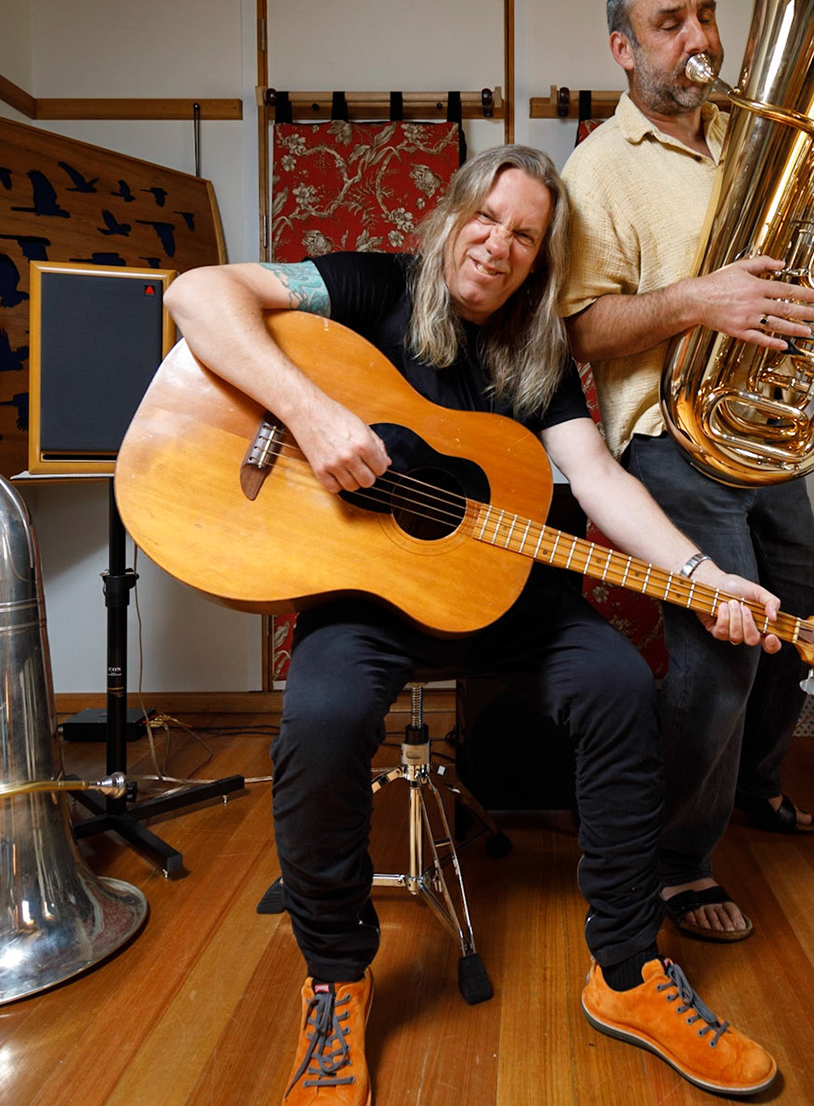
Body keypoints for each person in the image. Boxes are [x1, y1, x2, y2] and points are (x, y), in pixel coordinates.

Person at [164, 144, 782, 1104]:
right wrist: (313, 414)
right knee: (319, 722)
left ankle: (626, 973)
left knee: (620, 689)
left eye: (524, 236)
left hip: (512, 601)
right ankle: (335, 981)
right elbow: (199, 293)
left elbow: (605, 481)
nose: (497, 247)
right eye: (485, 220)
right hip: (368, 601)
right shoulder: (368, 288)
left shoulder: (538, 358)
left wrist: (710, 580)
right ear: (451, 217)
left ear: (540, 260)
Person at [559, 0, 814, 945]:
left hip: (761, 428)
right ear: (624, 50)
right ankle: (676, 861)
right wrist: (700, 299)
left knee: (803, 597)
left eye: (707, 15)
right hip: (667, 436)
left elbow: (784, 279)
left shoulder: (756, 139)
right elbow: (582, 330)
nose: (701, 40)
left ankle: (753, 781)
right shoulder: (596, 169)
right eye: (671, 23)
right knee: (722, 650)